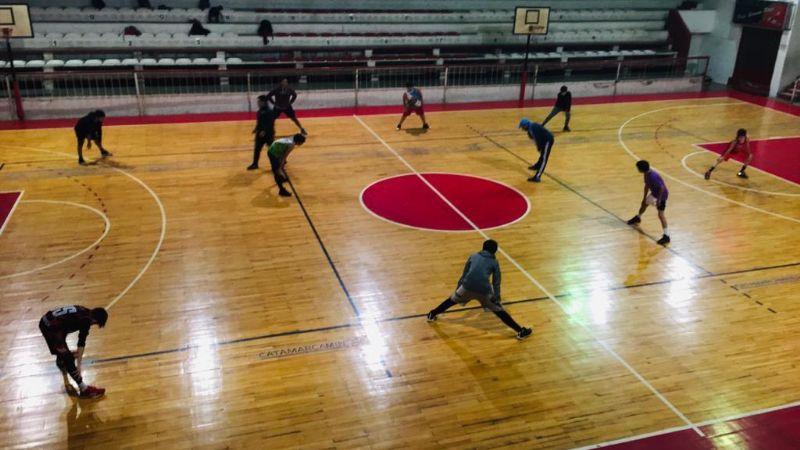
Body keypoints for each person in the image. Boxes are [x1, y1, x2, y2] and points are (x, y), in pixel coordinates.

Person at [427, 240, 533, 340]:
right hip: (484, 290)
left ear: (483, 248)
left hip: (466, 286)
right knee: (500, 311)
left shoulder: (473, 256)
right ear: (494, 251)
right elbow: (496, 281)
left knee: (451, 300)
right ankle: (520, 331)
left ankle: (432, 314)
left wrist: (459, 287)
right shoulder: (494, 262)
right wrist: (496, 297)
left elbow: (464, 273)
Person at [39, 305, 108, 399]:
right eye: (96, 324)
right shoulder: (86, 321)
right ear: (95, 320)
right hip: (52, 328)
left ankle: (61, 361)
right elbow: (81, 342)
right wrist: (78, 366)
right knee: (68, 358)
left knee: (62, 350)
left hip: (46, 321)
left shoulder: (85, 310)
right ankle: (84, 389)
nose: (93, 325)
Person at [627, 160, 670, 245]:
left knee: (660, 215)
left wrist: (659, 200)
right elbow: (647, 186)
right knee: (644, 204)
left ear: (641, 169)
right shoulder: (646, 174)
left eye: (638, 168)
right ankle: (638, 217)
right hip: (654, 194)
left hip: (662, 196)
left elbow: (662, 188)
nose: (637, 169)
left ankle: (666, 236)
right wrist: (644, 198)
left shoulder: (653, 176)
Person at [518, 118, 554, 182]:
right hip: (543, 140)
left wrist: (539, 147)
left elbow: (537, 138)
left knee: (544, 158)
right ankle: (537, 166)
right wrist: (538, 147)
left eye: (522, 127)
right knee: (542, 155)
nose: (522, 129)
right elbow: (535, 140)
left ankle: (537, 176)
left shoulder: (533, 128)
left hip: (548, 140)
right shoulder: (530, 130)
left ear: (526, 125)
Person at [247, 95, 276, 170]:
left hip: (268, 134)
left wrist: (264, 131)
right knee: (257, 149)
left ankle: (276, 164)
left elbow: (270, 123)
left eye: (259, 102)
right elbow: (259, 122)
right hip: (260, 134)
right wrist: (256, 129)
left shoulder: (269, 111)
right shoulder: (260, 111)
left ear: (264, 102)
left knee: (271, 150)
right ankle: (255, 164)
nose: (258, 103)